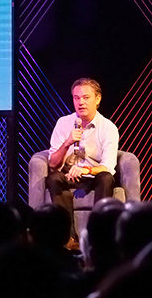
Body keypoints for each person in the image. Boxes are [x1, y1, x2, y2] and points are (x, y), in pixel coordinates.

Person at [45, 78, 118, 218]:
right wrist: (67, 143)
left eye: (86, 98)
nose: (81, 103)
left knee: (106, 178)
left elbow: (108, 167)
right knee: (54, 178)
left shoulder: (108, 128)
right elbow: (53, 164)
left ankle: (97, 231)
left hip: (93, 177)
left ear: (97, 99)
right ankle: (68, 236)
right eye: (76, 98)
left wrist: (86, 170)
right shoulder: (63, 123)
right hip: (68, 176)